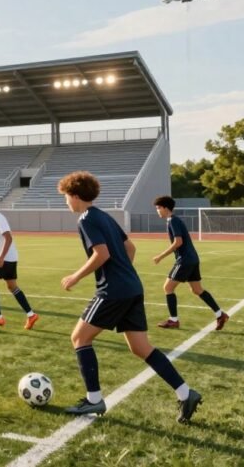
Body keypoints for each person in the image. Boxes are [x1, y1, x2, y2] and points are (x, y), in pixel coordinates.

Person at [57, 172, 201, 422]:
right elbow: (130, 248)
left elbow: (100, 255)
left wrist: (75, 277)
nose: (65, 202)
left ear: (76, 196)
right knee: (140, 347)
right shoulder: (104, 216)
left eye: (66, 197)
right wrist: (124, 273)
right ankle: (185, 393)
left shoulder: (86, 219)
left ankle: (93, 400)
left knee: (79, 338)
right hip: (132, 287)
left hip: (113, 290)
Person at [151, 196, 228, 330]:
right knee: (197, 289)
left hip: (185, 260)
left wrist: (160, 256)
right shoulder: (174, 220)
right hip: (192, 258)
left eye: (158, 208)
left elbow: (178, 242)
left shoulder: (173, 221)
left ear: (164, 208)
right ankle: (220, 314)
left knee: (168, 288)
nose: (157, 211)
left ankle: (173, 320)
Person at [0, 194, 39, 329]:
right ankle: (31, 315)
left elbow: (8, 238)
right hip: (10, 258)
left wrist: (1, 258)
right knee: (12, 287)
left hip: (5, 259)